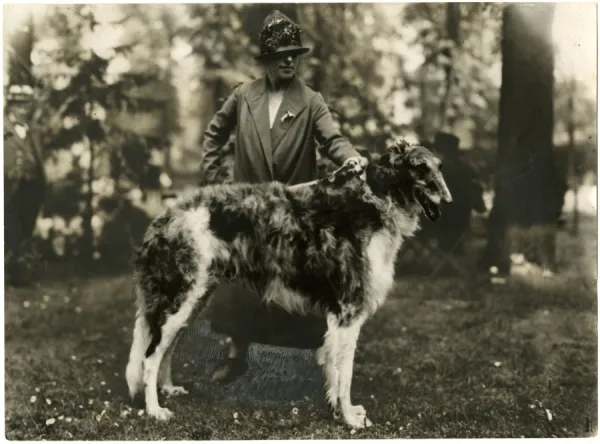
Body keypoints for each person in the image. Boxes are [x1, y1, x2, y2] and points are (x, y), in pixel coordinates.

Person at [199, 9, 368, 382]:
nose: (290, 59)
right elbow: (213, 135)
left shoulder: (310, 100)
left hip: (293, 212)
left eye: (295, 53)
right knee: (241, 281)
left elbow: (333, 139)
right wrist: (218, 183)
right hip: (246, 209)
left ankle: (301, 363)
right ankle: (236, 354)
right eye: (282, 53)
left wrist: (351, 158)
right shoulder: (244, 96)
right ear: (268, 60)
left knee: (293, 283)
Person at [4, 84, 47, 286]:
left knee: (25, 231)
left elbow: (38, 159)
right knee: (8, 230)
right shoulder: (4, 128)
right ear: (10, 106)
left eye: (26, 106)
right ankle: (6, 274)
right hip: (8, 187)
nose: (23, 110)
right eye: (18, 105)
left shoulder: (33, 131)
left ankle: (20, 275)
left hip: (30, 188)